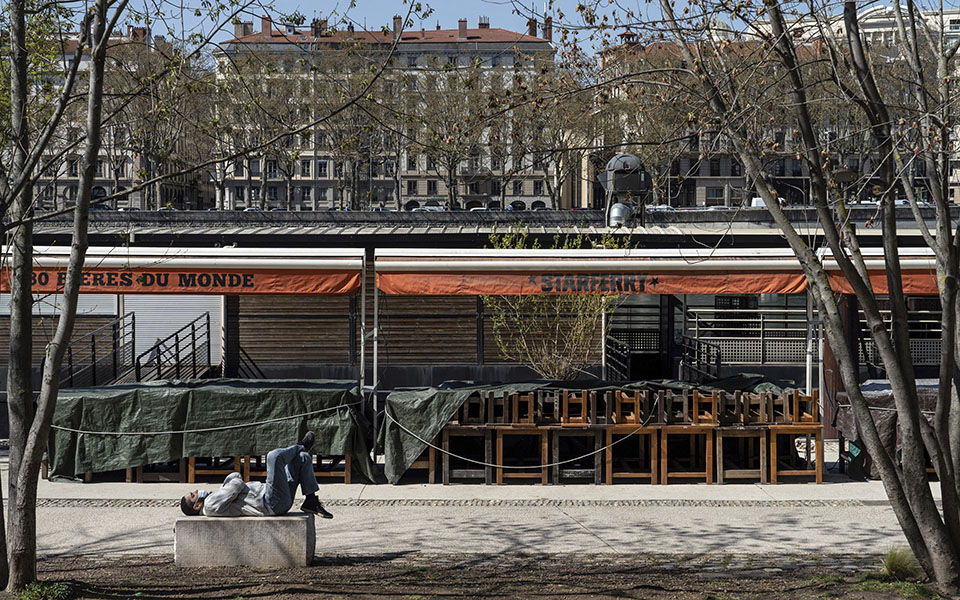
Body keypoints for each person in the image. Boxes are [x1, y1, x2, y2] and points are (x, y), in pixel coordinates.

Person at [180, 431, 333, 519]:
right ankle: (302, 445)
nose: (196, 491)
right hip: (270, 502)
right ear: (197, 505)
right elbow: (237, 482)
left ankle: (311, 500)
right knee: (274, 457)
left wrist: (230, 485)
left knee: (302, 459)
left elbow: (234, 482)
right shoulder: (210, 504)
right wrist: (230, 483)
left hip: (274, 498)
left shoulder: (213, 501)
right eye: (193, 495)